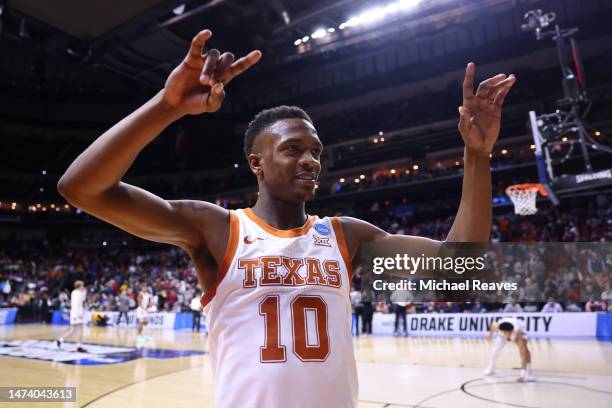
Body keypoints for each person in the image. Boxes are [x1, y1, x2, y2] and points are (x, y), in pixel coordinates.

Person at [57, 28, 515, 408]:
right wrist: (167, 106)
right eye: (293, 149)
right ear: (257, 163)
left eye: (315, 151)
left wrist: (477, 156)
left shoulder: (345, 235)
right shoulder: (216, 228)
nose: (311, 160)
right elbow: (81, 188)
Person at [484, 317, 535, 382]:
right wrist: (489, 335)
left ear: (511, 331)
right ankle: (491, 368)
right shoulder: (497, 326)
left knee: (525, 351)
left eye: (509, 333)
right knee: (495, 351)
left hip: (520, 331)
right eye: (505, 332)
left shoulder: (519, 335)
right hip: (501, 336)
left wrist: (522, 375)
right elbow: (491, 326)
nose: (507, 334)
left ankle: (529, 372)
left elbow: (523, 356)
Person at [56, 280, 88, 352]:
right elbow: (82, 300)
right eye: (82, 286)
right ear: (78, 286)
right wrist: (85, 292)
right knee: (76, 330)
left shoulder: (75, 292)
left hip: (77, 312)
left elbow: (82, 301)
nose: (83, 287)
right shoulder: (77, 293)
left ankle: (61, 340)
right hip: (77, 313)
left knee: (76, 330)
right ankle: (78, 346)